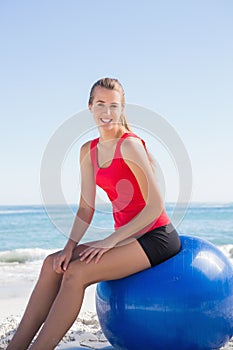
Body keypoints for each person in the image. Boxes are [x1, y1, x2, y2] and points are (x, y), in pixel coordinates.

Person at [7, 77, 181, 350]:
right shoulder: (87, 151)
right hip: (127, 238)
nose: (107, 112)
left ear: (122, 109)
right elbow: (86, 207)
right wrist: (69, 247)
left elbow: (156, 206)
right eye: (100, 104)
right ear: (90, 107)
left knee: (76, 274)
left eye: (114, 105)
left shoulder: (130, 145)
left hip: (157, 237)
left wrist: (109, 241)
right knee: (53, 265)